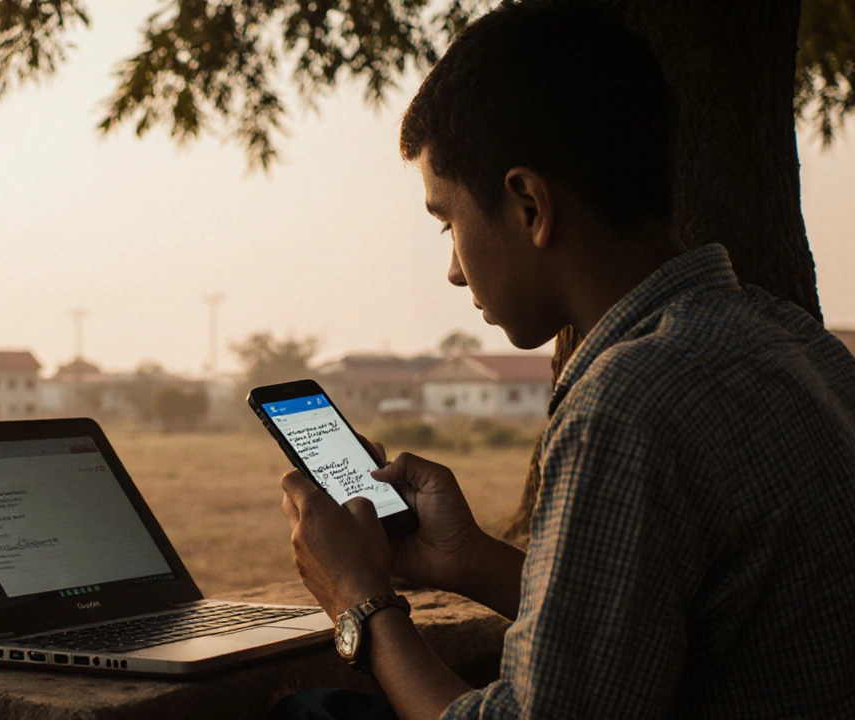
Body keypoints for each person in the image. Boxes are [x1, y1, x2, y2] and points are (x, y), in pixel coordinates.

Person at [272, 1, 855, 718]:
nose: (455, 271)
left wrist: (360, 603)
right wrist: (468, 561)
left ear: (527, 205)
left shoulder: (629, 403)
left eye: (449, 222)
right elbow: (640, 624)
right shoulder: (795, 342)